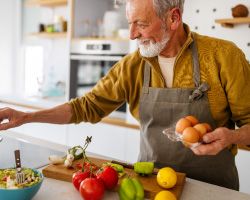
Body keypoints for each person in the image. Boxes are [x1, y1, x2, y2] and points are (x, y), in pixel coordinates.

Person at [1, 0, 250, 190]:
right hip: (150, 186)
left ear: (173, 18)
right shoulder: (132, 66)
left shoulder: (224, 57)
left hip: (212, 189)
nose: (131, 34)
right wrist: (26, 117)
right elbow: (85, 106)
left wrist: (232, 136)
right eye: (129, 23)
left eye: (141, 24)